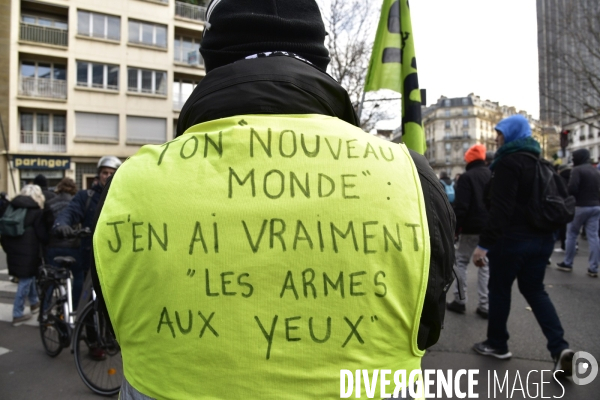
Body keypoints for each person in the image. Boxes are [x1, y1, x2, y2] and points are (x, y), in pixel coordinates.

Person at [91, 1, 456, 398]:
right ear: (320, 57)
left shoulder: (129, 182)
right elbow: (428, 322)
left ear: (211, 59)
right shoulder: (410, 177)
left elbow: (114, 322)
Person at [471, 114, 573, 377]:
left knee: (499, 290)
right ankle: (559, 348)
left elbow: (501, 210)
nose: (496, 138)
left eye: (500, 133)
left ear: (511, 134)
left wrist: (484, 245)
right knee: (536, 291)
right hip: (542, 241)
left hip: (513, 241)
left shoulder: (508, 163)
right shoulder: (542, 163)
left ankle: (497, 344)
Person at [53, 156, 121, 306]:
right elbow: (70, 212)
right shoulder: (86, 196)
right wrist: (62, 224)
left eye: (112, 173)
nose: (108, 176)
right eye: (104, 172)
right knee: (84, 299)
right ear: (99, 175)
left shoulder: (123, 198)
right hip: (89, 259)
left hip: (115, 258)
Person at [447, 144, 491, 318]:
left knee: (461, 262)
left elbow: (462, 206)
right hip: (488, 227)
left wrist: (455, 229)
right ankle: (485, 304)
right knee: (484, 265)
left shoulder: (467, 177)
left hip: (471, 227)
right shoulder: (490, 174)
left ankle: (460, 300)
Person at [0, 185, 50, 326]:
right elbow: (41, 235)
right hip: (29, 252)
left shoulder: (11, 207)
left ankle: (34, 303)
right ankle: (17, 313)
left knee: (28, 276)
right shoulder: (36, 211)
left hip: (13, 250)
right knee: (25, 280)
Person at [557, 149, 600, 277]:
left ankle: (568, 262)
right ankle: (593, 267)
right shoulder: (595, 171)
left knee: (571, 234)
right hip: (595, 206)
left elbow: (572, 188)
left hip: (580, 206)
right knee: (594, 237)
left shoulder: (577, 170)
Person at [45, 178, 85, 305]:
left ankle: (45, 311)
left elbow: (43, 227)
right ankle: (74, 306)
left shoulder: (50, 203)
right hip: (73, 246)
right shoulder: (76, 203)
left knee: (51, 280)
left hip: (54, 246)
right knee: (79, 276)